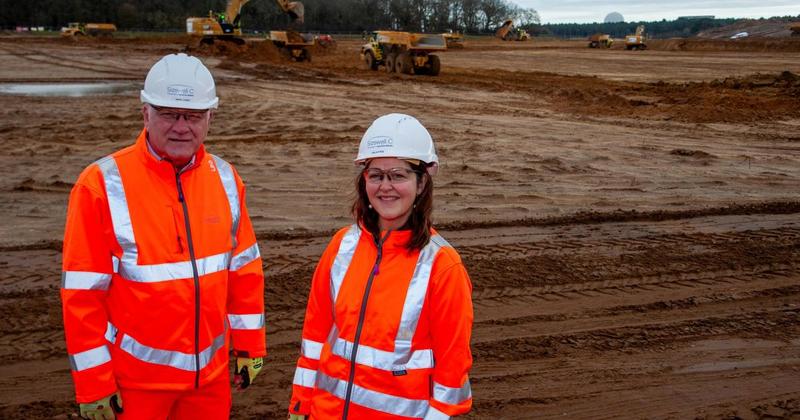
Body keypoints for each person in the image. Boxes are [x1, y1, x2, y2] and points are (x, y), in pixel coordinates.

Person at [60, 53, 266, 420]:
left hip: (210, 385)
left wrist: (250, 345)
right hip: (136, 387)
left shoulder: (226, 180)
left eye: (193, 116)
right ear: (146, 114)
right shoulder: (101, 185)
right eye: (169, 114)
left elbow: (244, 271)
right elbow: (82, 296)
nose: (181, 127)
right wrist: (93, 383)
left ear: (210, 118)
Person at [288, 113, 474, 419]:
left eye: (398, 175)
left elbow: (451, 375)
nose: (385, 187)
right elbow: (315, 337)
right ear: (364, 181)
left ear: (422, 181)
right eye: (376, 175)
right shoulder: (341, 247)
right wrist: (300, 404)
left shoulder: (442, 266)